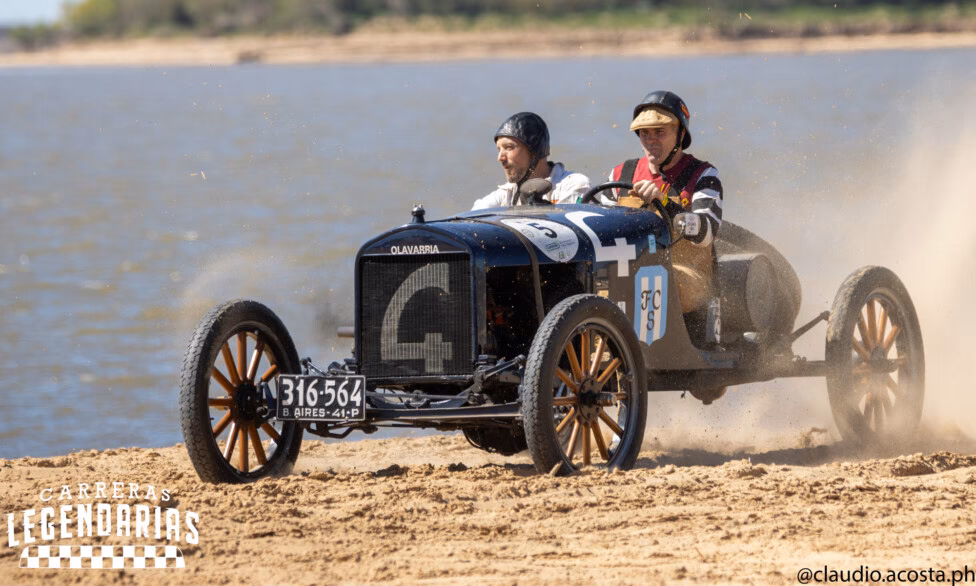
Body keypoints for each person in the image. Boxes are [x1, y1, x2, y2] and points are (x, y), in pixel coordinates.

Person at [609, 91, 724, 322]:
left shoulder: (705, 176)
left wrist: (662, 204)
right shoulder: (620, 173)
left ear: (680, 134)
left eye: (659, 132)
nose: (650, 140)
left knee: (646, 280)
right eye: (644, 133)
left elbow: (707, 233)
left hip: (690, 279)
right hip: (628, 273)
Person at [472, 112, 590, 210]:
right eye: (499, 149)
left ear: (534, 152)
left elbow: (568, 231)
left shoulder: (574, 185)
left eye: (508, 147)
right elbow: (471, 218)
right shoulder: (506, 193)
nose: (500, 157)